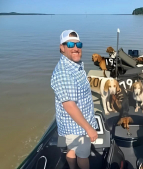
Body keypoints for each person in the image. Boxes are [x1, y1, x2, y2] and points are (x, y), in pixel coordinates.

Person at [51, 30, 98, 169]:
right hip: (77, 128)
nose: (76, 48)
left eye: (79, 44)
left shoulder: (74, 65)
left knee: (71, 150)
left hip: (73, 126)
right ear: (62, 47)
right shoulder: (64, 73)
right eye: (70, 44)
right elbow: (70, 106)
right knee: (83, 156)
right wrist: (89, 129)